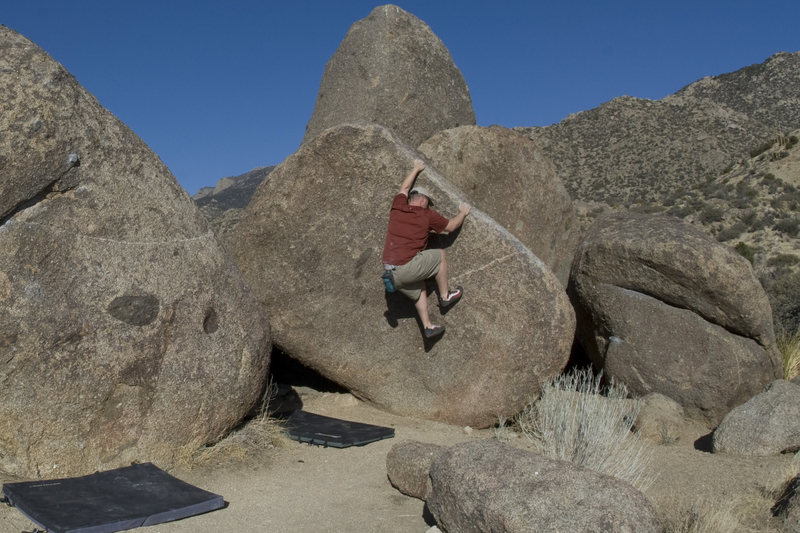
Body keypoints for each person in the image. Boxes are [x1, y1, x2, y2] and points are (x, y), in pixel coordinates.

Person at [381, 159, 470, 338]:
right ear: (422, 200)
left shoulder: (398, 207)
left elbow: (404, 189)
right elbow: (451, 227)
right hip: (405, 269)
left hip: (389, 272)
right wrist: (462, 213)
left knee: (419, 289)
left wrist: (416, 169)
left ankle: (428, 327)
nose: (428, 205)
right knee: (440, 255)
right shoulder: (426, 215)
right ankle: (445, 297)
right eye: (428, 202)